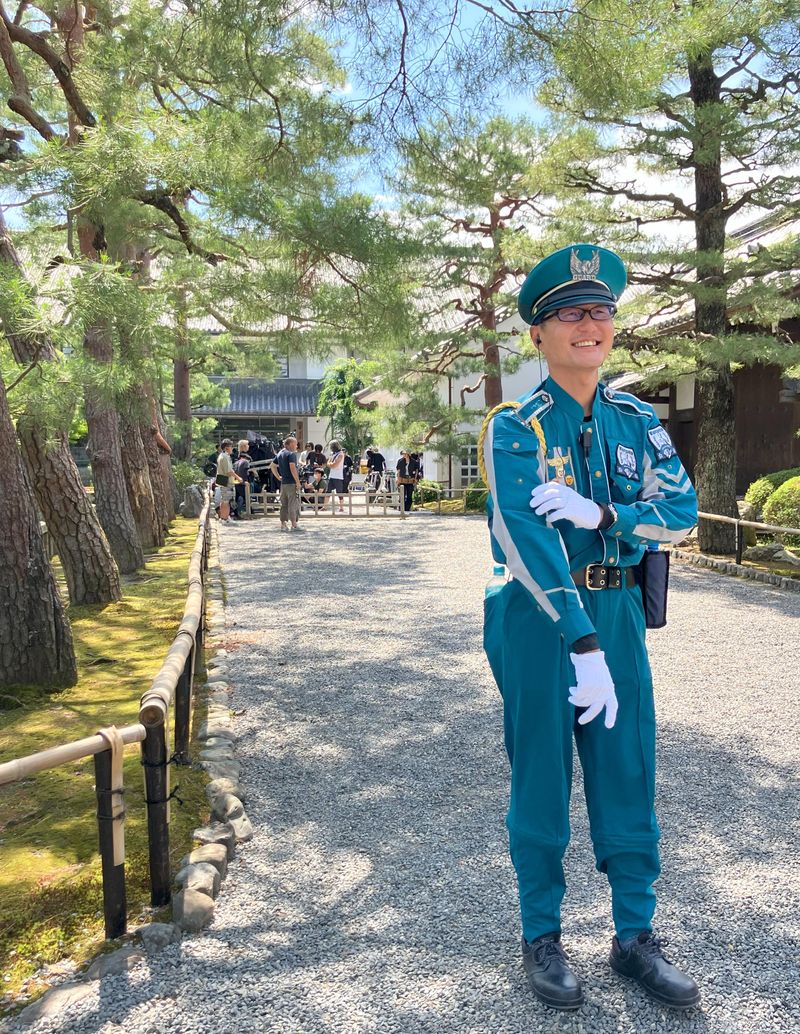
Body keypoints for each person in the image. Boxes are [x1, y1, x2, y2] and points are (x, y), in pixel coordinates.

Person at [481, 243, 699, 1012]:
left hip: (619, 612)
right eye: (570, 313)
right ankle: (541, 935)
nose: (590, 324)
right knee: (542, 775)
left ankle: (634, 936)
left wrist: (606, 514)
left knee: (628, 768)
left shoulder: (637, 421)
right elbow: (525, 541)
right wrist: (580, 643)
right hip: (541, 620)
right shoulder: (516, 429)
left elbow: (681, 513)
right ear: (538, 333)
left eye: (600, 311)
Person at [274, 435, 302, 530]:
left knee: (284, 504)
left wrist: (278, 476)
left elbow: (272, 466)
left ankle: (283, 524)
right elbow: (292, 467)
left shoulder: (280, 453)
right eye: (295, 444)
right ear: (290, 444)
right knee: (292, 503)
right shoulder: (291, 454)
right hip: (291, 482)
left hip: (283, 483)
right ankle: (294, 524)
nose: (296, 446)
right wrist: (297, 482)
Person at [215, 439, 236, 523]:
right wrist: (238, 478)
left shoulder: (221, 456)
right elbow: (229, 471)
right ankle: (224, 518)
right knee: (226, 501)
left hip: (221, 479)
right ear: (227, 448)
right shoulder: (225, 457)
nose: (232, 448)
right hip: (226, 480)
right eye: (231, 447)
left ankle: (225, 517)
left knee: (224, 500)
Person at [326, 440, 347, 512]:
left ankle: (341, 507)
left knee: (339, 492)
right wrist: (330, 464)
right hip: (331, 475)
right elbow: (328, 463)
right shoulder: (333, 454)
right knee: (328, 491)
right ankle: (325, 506)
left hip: (338, 476)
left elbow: (334, 465)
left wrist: (330, 464)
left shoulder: (340, 454)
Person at [233, 439, 251, 519]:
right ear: (244, 446)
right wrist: (244, 481)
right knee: (243, 497)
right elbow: (244, 472)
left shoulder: (238, 458)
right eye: (247, 445)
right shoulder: (245, 459)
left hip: (236, 480)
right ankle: (242, 513)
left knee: (238, 497)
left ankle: (237, 513)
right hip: (242, 480)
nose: (248, 446)